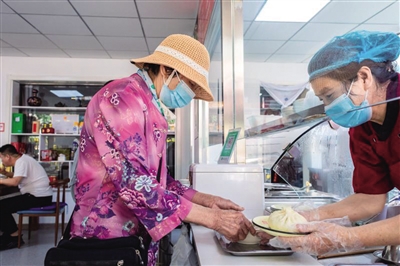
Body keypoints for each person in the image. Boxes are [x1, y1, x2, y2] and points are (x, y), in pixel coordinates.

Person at [70, 34, 255, 266]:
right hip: (103, 234)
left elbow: (159, 181)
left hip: (132, 236)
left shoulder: (150, 106)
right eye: (192, 84)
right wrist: (213, 219)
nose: (191, 93)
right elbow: (134, 182)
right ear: (168, 70)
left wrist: (208, 201)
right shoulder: (121, 97)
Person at [259, 30, 400, 256]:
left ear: (364, 78)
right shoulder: (363, 126)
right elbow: (370, 198)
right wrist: (306, 218)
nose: (327, 109)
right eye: (322, 100)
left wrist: (347, 237)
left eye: (330, 95)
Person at [0, 144, 53, 250]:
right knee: (2, 205)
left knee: (1, 206)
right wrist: (6, 173)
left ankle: (14, 237)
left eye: (1, 158)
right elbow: (19, 176)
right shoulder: (23, 159)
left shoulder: (21, 162)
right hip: (41, 196)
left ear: (8, 157)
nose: (2, 161)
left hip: (38, 197)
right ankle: (10, 234)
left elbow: (15, 182)